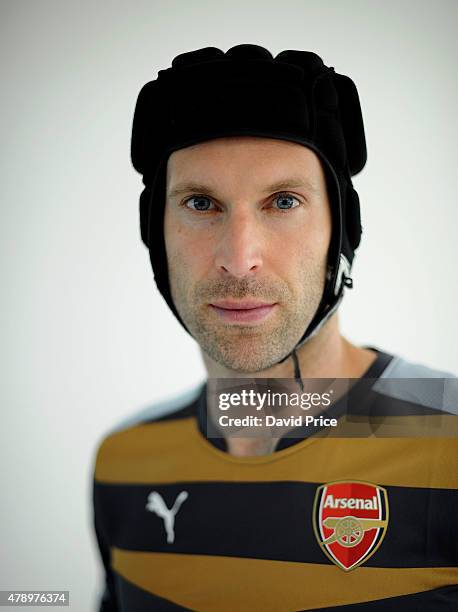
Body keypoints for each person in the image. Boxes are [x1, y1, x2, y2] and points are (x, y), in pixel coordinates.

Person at [92, 44, 457, 610]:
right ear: (155, 236)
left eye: (283, 201)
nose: (239, 259)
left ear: (341, 233)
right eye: (200, 203)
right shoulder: (123, 461)